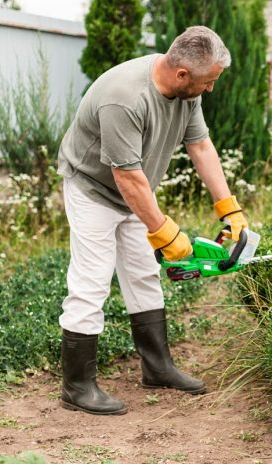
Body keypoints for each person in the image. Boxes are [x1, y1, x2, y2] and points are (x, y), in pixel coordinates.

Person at [56, 26, 248, 415]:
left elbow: (200, 145)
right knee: (92, 281)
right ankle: (76, 387)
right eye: (208, 82)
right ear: (183, 75)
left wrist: (228, 206)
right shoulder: (125, 98)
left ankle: (157, 368)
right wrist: (163, 230)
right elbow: (125, 177)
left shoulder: (185, 93)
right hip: (93, 188)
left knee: (143, 272)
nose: (210, 89)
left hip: (135, 190)